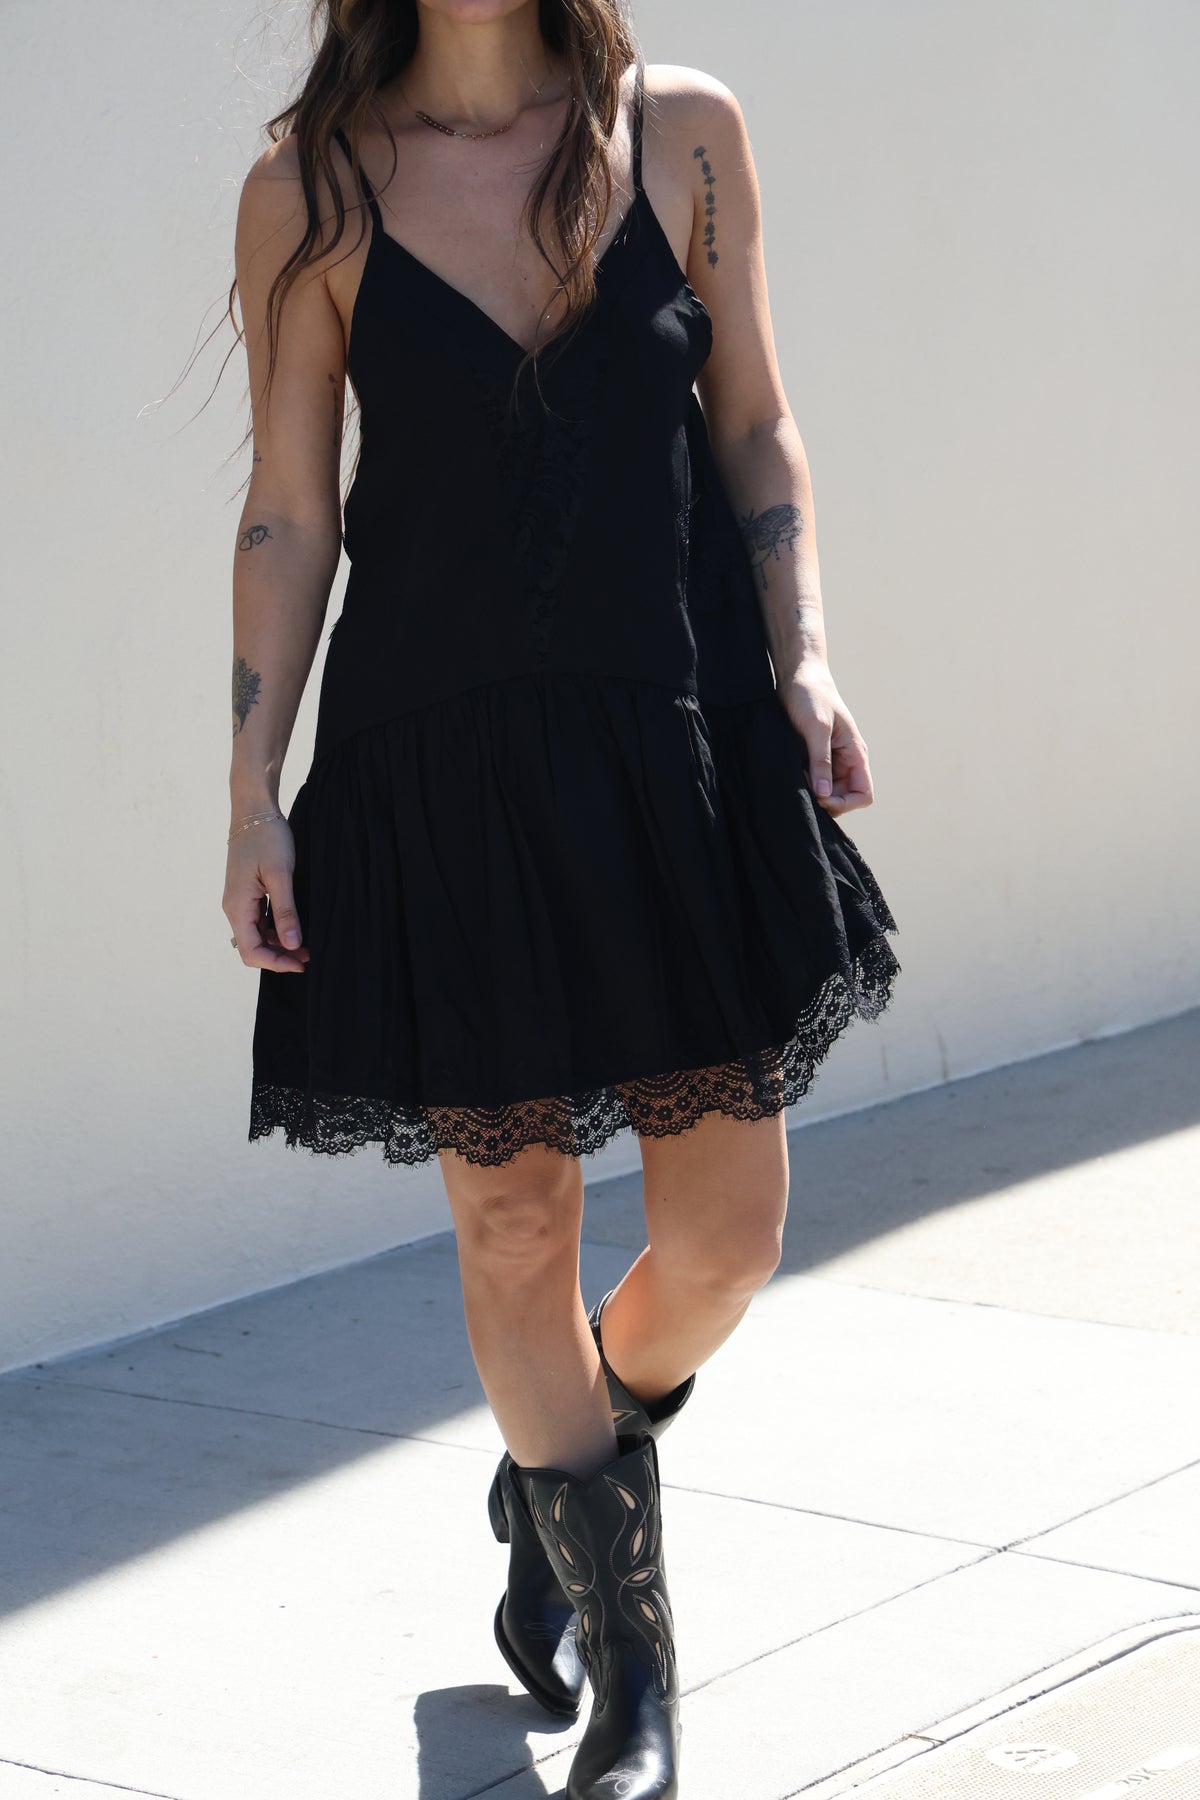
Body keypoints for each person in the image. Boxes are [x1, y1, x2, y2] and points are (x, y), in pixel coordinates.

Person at [221, 3, 900, 1793]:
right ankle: (634, 1683)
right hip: (435, 775)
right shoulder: (313, 189)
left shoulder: (681, 132)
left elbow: (754, 420)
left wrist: (806, 656)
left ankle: (560, 1477)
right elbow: (291, 511)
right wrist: (251, 788)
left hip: (671, 746)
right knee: (514, 1227)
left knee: (726, 1238)